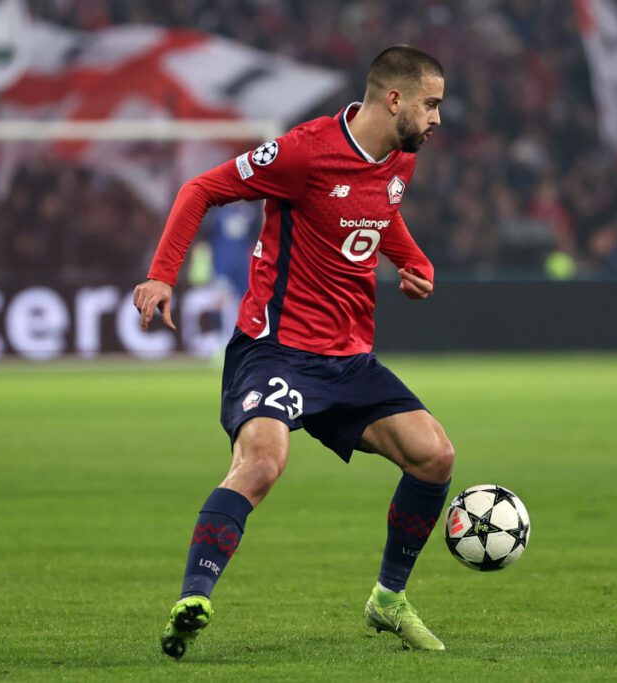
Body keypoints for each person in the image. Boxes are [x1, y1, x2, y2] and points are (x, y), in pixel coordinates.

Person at [133, 45, 453, 659]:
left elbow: (379, 212)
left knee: (435, 456)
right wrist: (162, 275)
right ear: (394, 100)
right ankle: (193, 597)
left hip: (349, 359)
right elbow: (200, 188)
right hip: (274, 349)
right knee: (262, 463)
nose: (438, 118)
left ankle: (388, 600)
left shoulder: (399, 158)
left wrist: (410, 260)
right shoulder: (304, 152)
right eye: (431, 104)